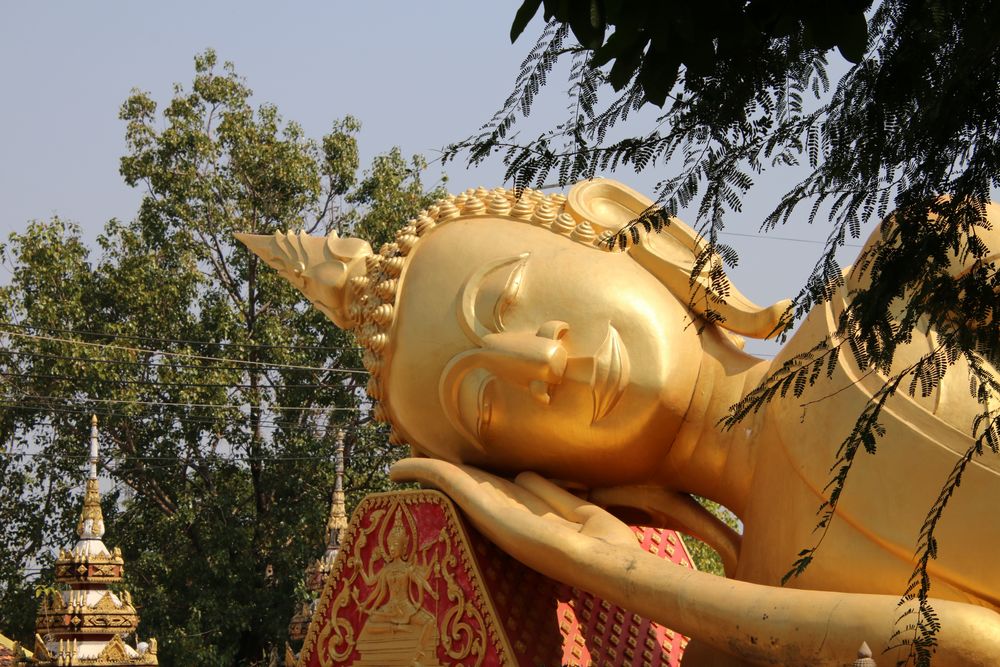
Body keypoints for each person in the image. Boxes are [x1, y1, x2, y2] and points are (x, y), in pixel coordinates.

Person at [239, 179, 1000, 665]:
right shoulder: (737, 644)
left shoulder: (912, 270)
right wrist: (621, 576)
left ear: (626, 229)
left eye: (511, 297)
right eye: (487, 405)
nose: (540, 359)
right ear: (558, 482)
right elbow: (969, 647)